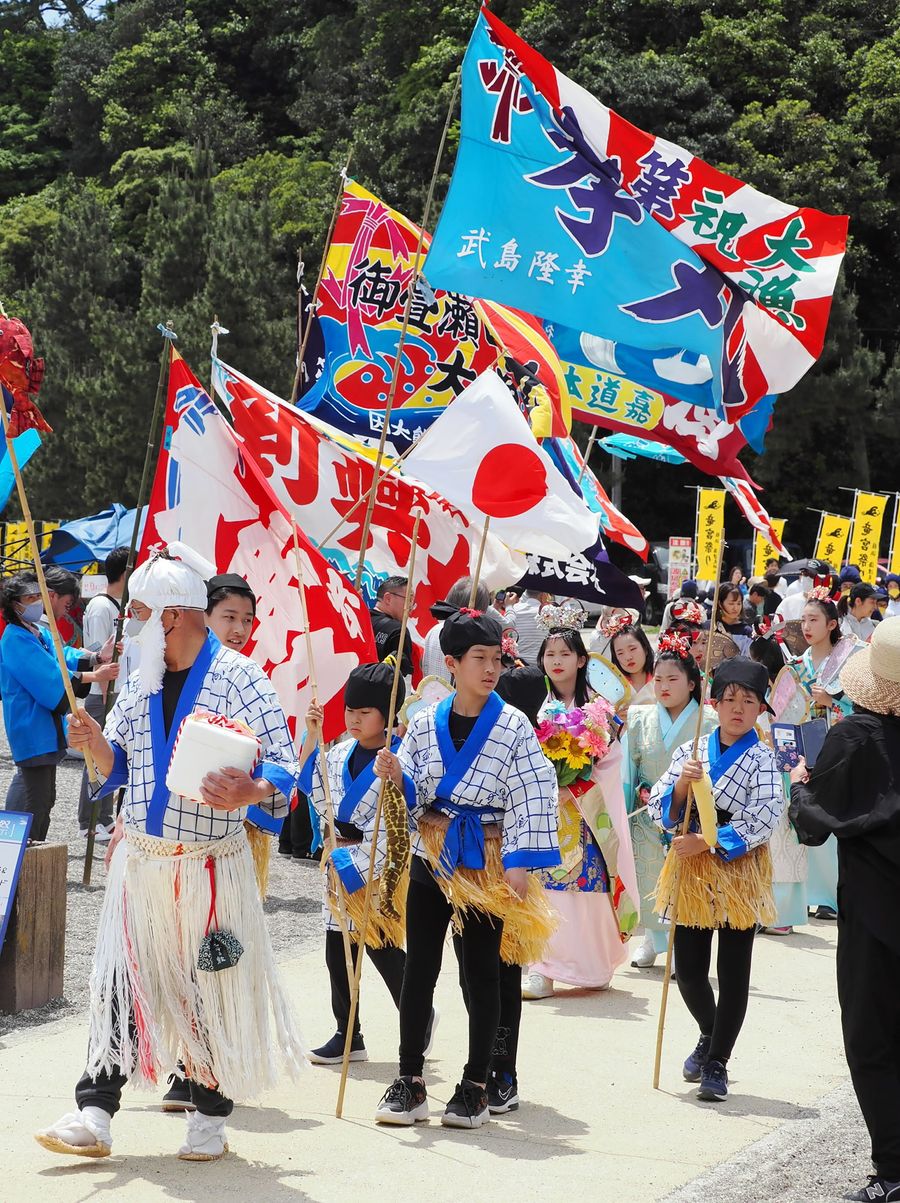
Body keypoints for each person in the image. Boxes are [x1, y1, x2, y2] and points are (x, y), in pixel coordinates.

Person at [34, 543, 304, 1163]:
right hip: (146, 864)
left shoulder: (242, 678)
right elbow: (121, 766)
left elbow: (287, 773)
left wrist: (253, 788)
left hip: (210, 867)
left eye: (138, 612)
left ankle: (209, 1117)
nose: (128, 622)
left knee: (208, 986)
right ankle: (95, 1111)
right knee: (121, 982)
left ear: (174, 617)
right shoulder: (144, 677)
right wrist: (95, 741)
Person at [372, 606, 559, 1130]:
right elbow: (411, 785)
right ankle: (410, 1079)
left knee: (481, 972)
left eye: (497, 658)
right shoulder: (427, 720)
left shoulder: (515, 725)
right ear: (451, 663)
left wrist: (520, 862)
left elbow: (533, 791)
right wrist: (396, 775)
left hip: (487, 855)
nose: (491, 669)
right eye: (479, 658)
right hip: (432, 851)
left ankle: (477, 1083)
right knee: (420, 969)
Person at [789, 619, 900, 1202]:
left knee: (872, 1035)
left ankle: (895, 1169)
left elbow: (812, 824)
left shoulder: (856, 735)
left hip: (877, 913)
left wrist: (801, 784)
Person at [648, 658, 783, 1102]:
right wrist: (683, 788)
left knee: (733, 969)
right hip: (692, 867)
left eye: (748, 701)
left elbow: (764, 816)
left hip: (735, 864)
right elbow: (659, 806)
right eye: (729, 700)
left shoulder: (762, 757)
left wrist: (708, 841)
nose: (738, 709)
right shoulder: (694, 749)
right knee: (687, 970)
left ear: (761, 708)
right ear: (715, 703)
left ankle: (718, 1063)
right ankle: (710, 1034)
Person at [299, 663, 435, 1066]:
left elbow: (411, 809)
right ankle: (348, 1033)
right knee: (336, 949)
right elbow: (311, 788)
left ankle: (419, 1014)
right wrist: (312, 734)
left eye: (365, 712)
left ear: (387, 715)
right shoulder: (337, 751)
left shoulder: (399, 756)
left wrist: (397, 778)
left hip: (377, 860)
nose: (355, 719)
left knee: (382, 946)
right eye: (350, 711)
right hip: (339, 857)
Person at [521, 606, 638, 999]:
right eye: (550, 655)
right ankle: (542, 967)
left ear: (581, 659)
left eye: (565, 654)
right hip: (545, 810)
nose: (556, 661)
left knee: (587, 884)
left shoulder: (598, 709)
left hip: (587, 809)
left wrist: (579, 779)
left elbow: (611, 758)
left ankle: (591, 965)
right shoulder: (531, 704)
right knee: (547, 885)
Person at [0, 571, 118, 841]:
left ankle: (29, 851)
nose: (35, 602)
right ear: (14, 604)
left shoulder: (37, 631)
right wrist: (93, 676)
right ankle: (18, 851)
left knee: (44, 797)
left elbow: (63, 654)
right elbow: (49, 677)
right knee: (34, 798)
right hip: (31, 727)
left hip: (44, 728)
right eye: (29, 598)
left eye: (36, 596)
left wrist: (97, 657)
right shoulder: (14, 638)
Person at [624, 632, 717, 968]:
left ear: (692, 683)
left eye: (673, 679)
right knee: (648, 876)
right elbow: (628, 770)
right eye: (658, 679)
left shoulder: (709, 721)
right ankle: (652, 939)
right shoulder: (639, 718)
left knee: (686, 881)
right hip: (647, 813)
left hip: (690, 813)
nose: (663, 686)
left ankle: (681, 946)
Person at [790, 588, 863, 919]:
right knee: (802, 813)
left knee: (832, 815)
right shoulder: (796, 664)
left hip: (837, 746)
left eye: (814, 619)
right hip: (803, 745)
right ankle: (802, 892)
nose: (806, 626)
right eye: (804, 619)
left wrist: (832, 702)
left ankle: (830, 895)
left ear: (832, 624)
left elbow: (862, 707)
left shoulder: (849, 663)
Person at [78, 547, 129, 842]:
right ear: (125, 573)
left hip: (116, 690)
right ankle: (89, 820)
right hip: (102, 691)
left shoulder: (117, 605)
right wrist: (103, 686)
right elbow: (96, 653)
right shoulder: (101, 607)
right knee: (94, 756)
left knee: (112, 755)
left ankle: (104, 817)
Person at [420, 578, 492, 682]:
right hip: (456, 697)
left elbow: (424, 665)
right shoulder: (473, 636)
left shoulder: (433, 630)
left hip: (430, 694)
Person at [369, 576, 413, 676]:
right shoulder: (398, 631)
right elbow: (403, 678)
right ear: (388, 598)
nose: (411, 606)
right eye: (408, 599)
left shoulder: (358, 618)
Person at [608, 618, 655, 702]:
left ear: (645, 649)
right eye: (620, 653)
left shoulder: (660, 679)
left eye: (632, 649)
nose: (628, 657)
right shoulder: (613, 687)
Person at [508, 588, 549, 664]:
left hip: (517, 665)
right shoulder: (549, 612)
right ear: (543, 595)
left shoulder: (513, 609)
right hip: (541, 665)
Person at [714, 584, 753, 654]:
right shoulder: (711, 626)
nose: (735, 608)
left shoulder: (745, 631)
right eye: (731, 604)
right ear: (720, 603)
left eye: (739, 603)